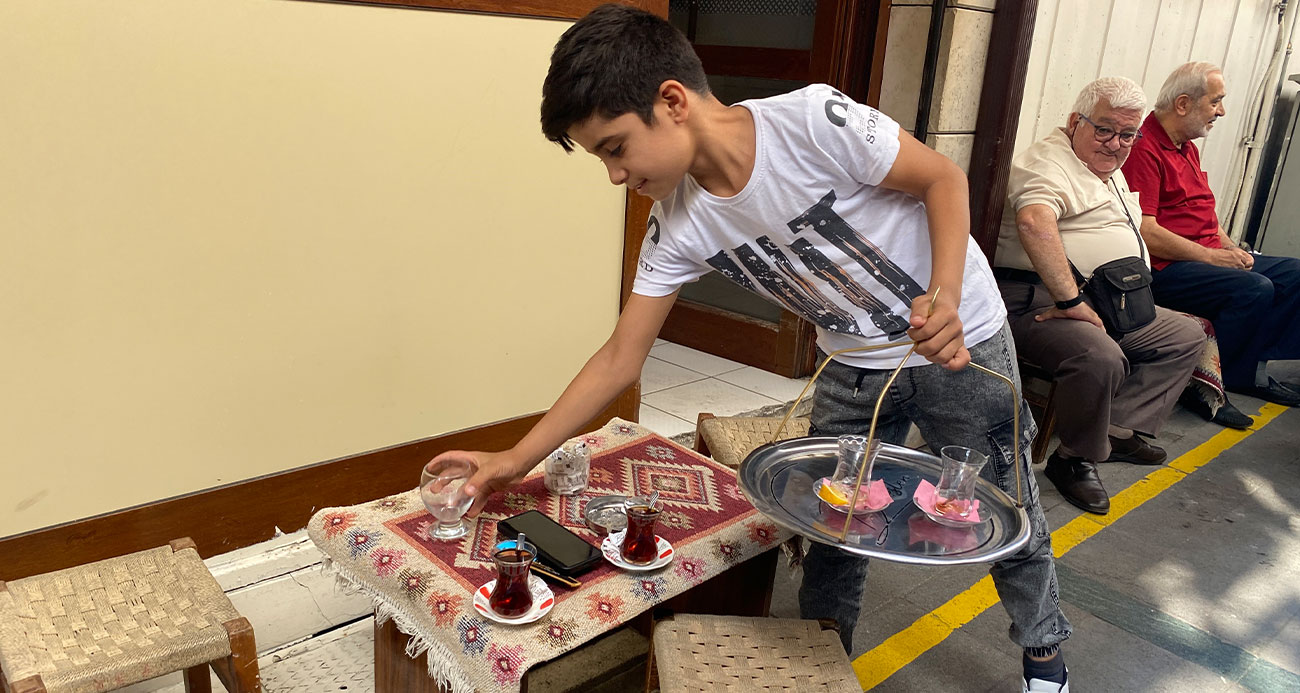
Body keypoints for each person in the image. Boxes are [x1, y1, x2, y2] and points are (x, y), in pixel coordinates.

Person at [433, 5, 1072, 691]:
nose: (614, 175)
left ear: (672, 102)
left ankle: (1044, 656)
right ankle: (825, 668)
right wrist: (514, 459)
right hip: (852, 369)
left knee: (1004, 508)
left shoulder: (813, 122)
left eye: (615, 148)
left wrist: (944, 294)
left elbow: (941, 178)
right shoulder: (676, 225)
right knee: (834, 528)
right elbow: (620, 357)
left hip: (962, 346)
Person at [993, 77, 1207, 516]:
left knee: (1186, 336)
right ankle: (1074, 459)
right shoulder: (1047, 164)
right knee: (1099, 358)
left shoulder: (1104, 164)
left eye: (1128, 135)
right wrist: (1070, 301)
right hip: (1037, 297)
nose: (1116, 144)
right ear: (1076, 122)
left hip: (1107, 296)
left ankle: (1114, 430)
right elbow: (1034, 221)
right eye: (1105, 129)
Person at [1122, 62, 1300, 407]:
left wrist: (1233, 249)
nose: (1221, 111)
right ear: (1183, 104)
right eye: (1215, 101)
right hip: (1167, 268)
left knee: (1294, 274)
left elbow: (1203, 212)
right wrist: (1213, 257)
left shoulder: (1185, 146)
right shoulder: (1144, 149)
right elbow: (1146, 230)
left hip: (1205, 255)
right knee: (1255, 289)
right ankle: (1216, 380)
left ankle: (1248, 363)